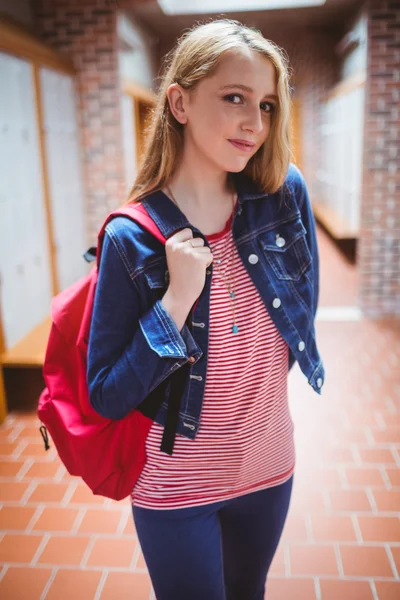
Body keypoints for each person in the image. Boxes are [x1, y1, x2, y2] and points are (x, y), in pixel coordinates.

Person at [87, 18, 325, 600]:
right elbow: (107, 393)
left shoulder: (283, 195)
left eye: (267, 104)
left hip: (270, 465)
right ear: (180, 102)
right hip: (176, 487)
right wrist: (174, 301)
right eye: (235, 97)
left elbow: (300, 316)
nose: (254, 122)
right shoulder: (131, 239)